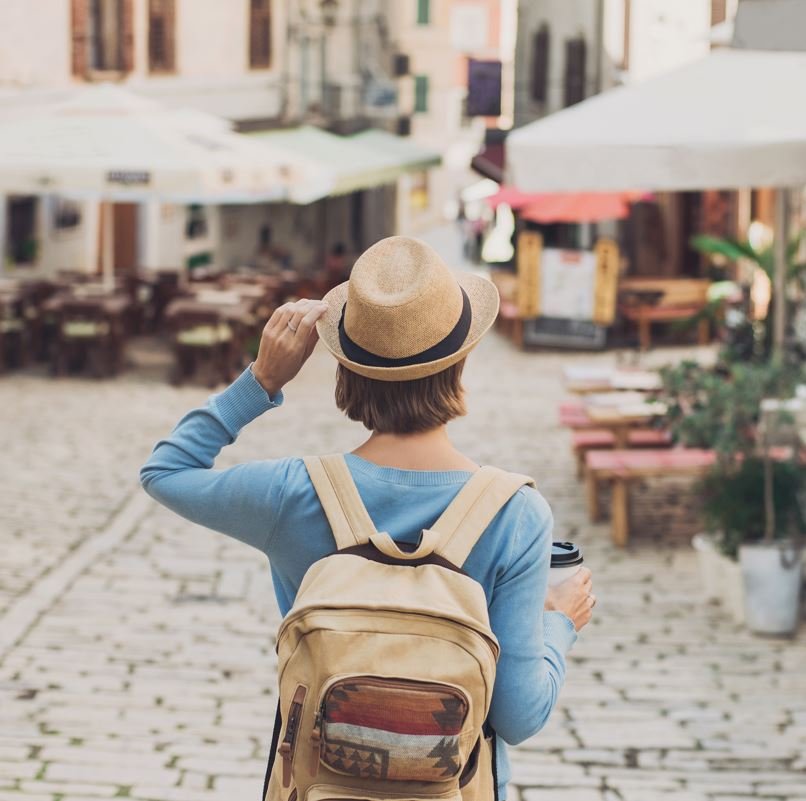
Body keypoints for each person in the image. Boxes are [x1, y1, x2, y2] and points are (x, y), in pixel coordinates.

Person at [140, 236, 594, 800]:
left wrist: (262, 379)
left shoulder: (292, 492)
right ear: (460, 361)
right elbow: (520, 717)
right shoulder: (515, 513)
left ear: (344, 370)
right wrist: (560, 622)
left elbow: (165, 472)